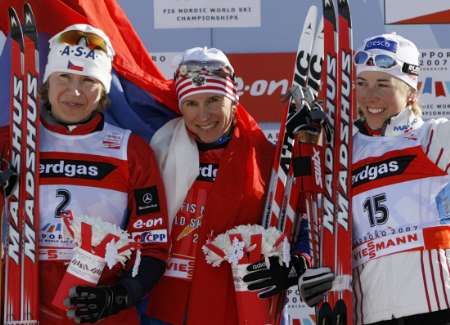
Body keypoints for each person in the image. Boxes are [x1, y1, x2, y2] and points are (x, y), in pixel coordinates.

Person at [246, 33, 450, 325]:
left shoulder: (432, 137)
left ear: (413, 90)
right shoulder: (342, 155)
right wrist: (303, 266)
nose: (370, 96)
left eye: (384, 84)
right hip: (369, 310)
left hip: (436, 303)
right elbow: (324, 227)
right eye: (362, 83)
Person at [1, 24, 170, 324]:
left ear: (103, 90)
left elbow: (153, 243)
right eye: (64, 76)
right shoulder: (11, 141)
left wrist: (120, 295)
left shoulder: (130, 149)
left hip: (97, 309)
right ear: (46, 82)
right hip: (20, 302)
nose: (74, 92)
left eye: (88, 80)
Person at [144, 47, 274, 325]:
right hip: (166, 303)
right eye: (192, 103)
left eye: (214, 100)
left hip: (235, 302)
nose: (203, 115)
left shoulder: (265, 156)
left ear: (234, 100)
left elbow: (297, 220)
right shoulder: (157, 147)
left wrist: (292, 263)